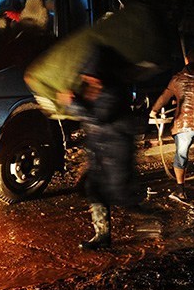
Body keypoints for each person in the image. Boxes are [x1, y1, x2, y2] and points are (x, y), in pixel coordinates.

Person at [60, 43, 141, 250]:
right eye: (86, 76)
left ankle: (155, 219)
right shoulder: (95, 91)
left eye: (92, 76)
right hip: (100, 153)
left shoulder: (113, 92)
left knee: (123, 196)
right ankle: (102, 235)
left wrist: (73, 103)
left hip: (116, 152)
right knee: (95, 190)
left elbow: (98, 117)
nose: (88, 80)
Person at [150, 48, 194, 203]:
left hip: (183, 124)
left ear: (186, 61)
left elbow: (164, 97)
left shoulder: (177, 79)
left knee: (181, 157)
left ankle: (181, 191)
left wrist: (153, 111)